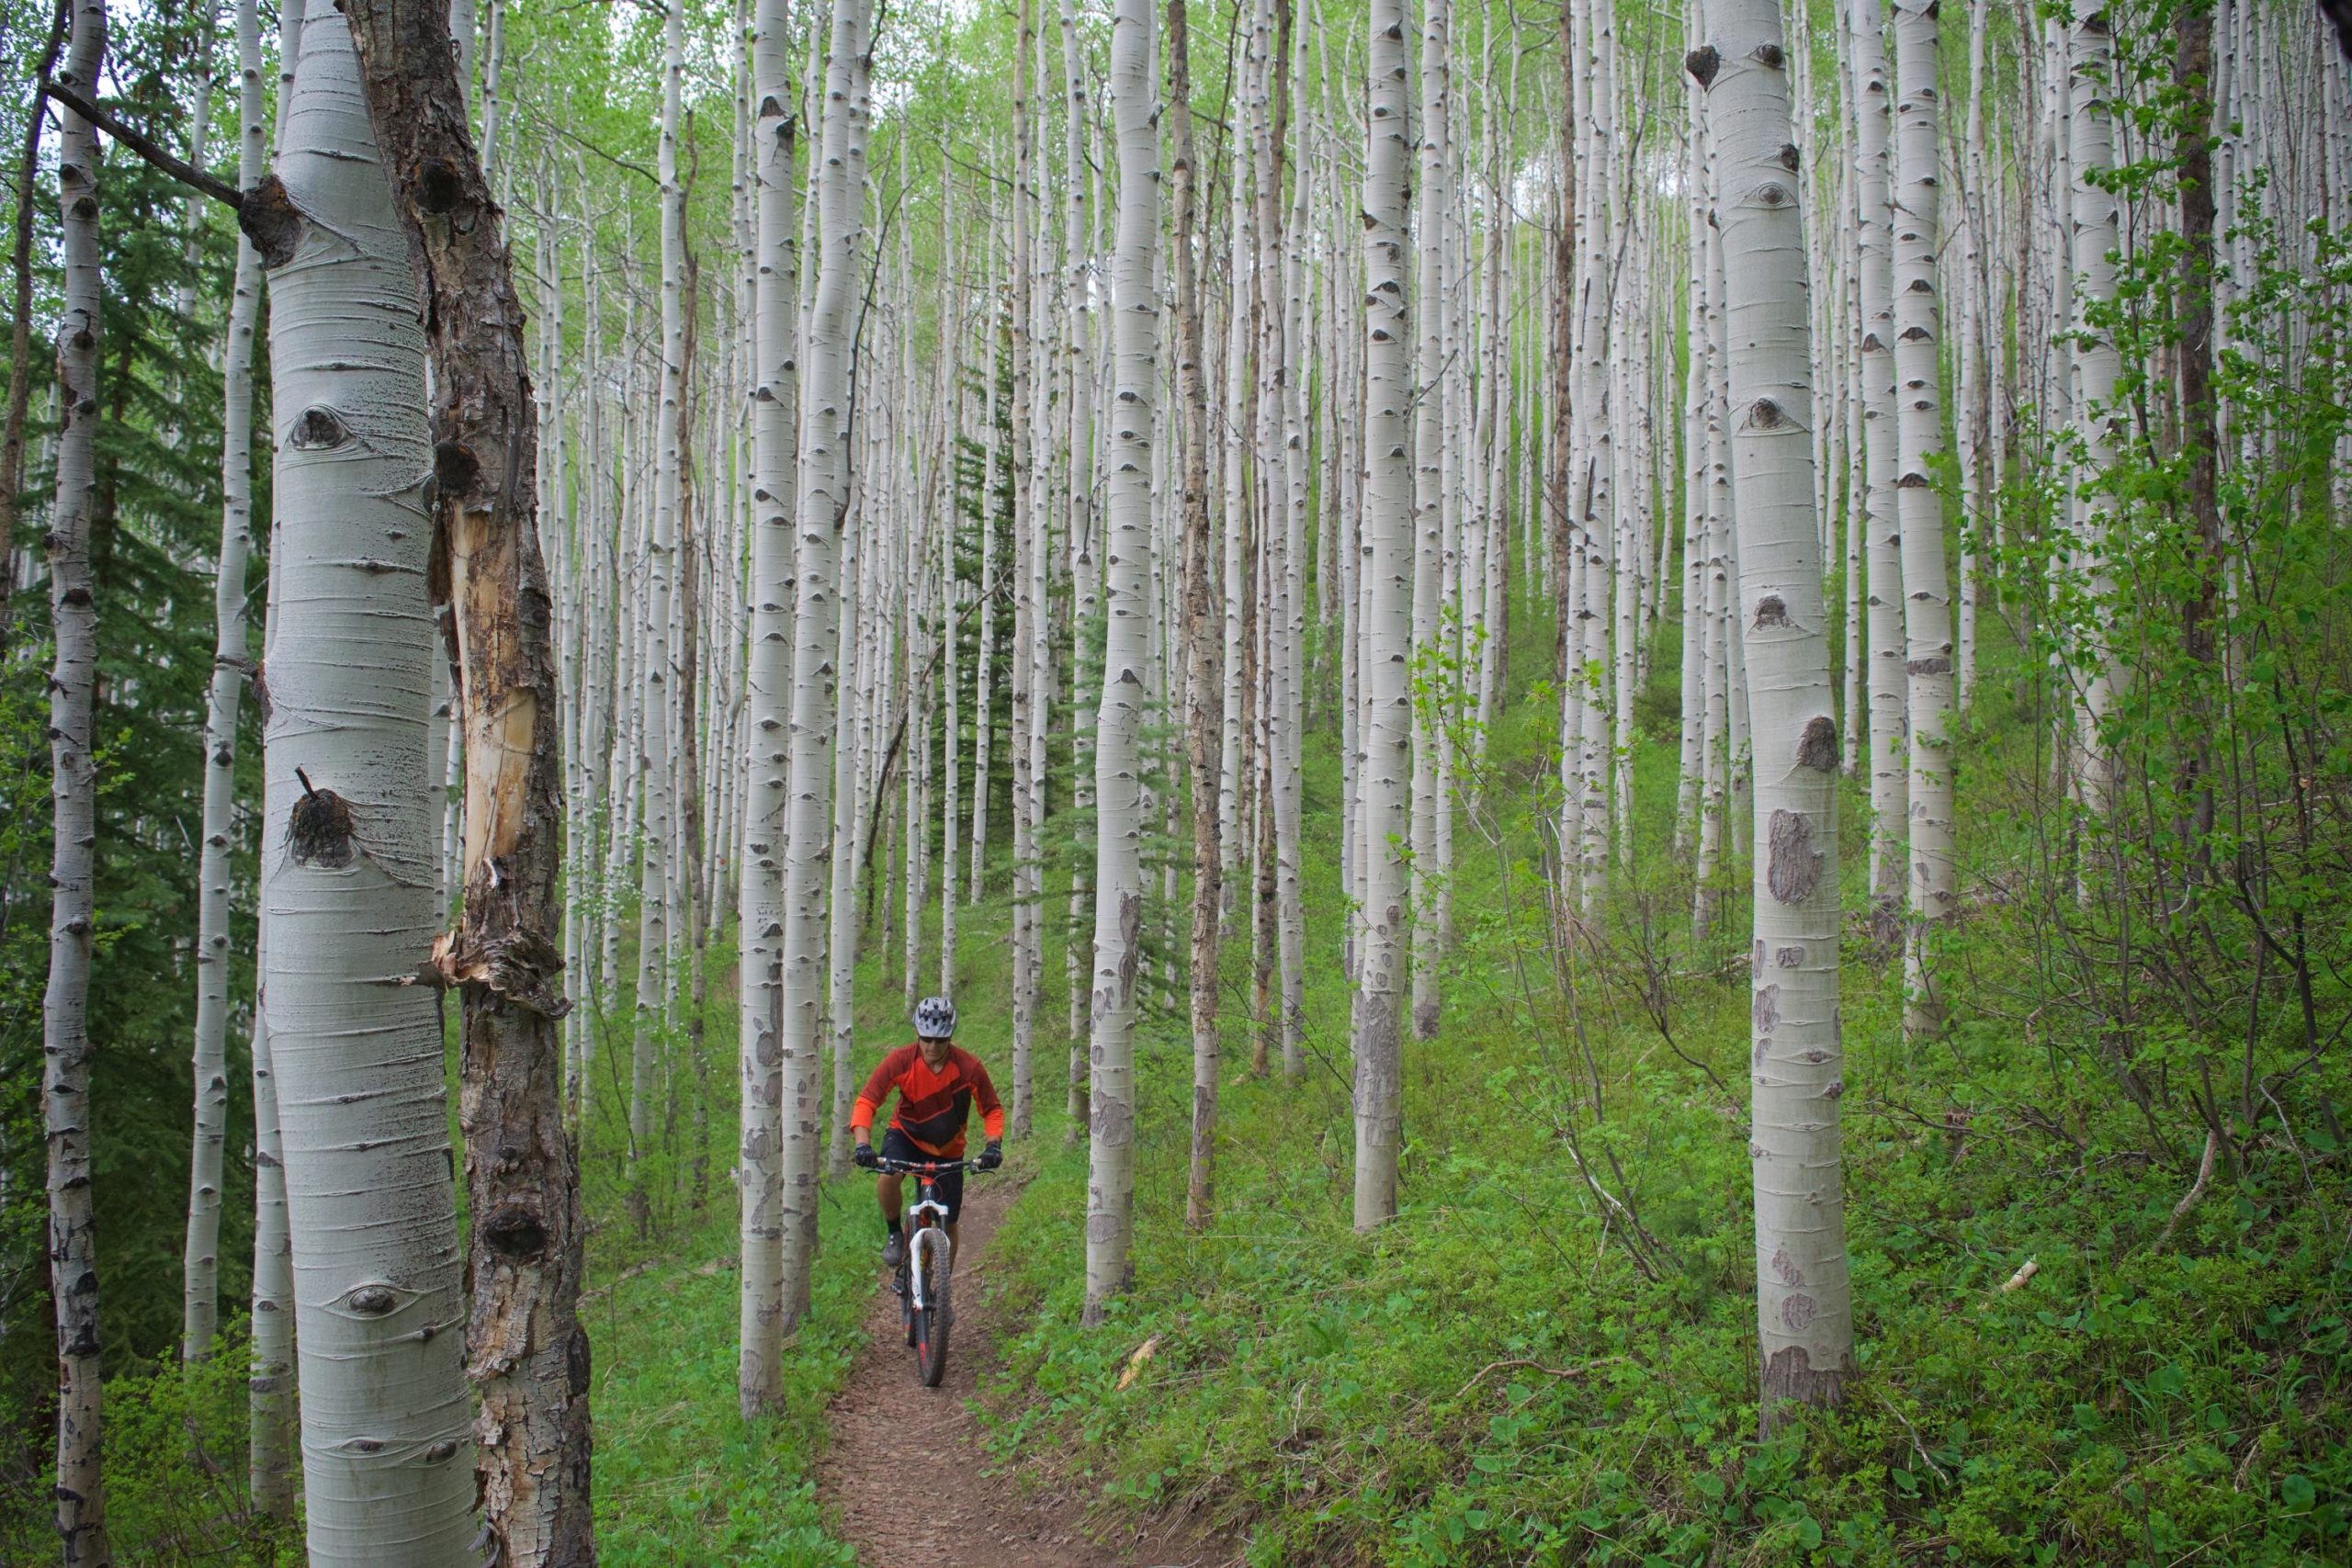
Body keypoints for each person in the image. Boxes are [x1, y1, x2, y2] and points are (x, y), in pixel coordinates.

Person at [851, 995, 1004, 1269]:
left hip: (948, 1149)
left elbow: (991, 1108)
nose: (933, 1046)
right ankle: (894, 1233)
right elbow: (867, 1101)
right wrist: (862, 1145)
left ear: (951, 1038)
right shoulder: (900, 1061)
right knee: (888, 1175)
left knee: (949, 1221)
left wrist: (993, 1145)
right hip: (905, 1135)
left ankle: (943, 1288)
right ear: (917, 1034)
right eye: (927, 1038)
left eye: (941, 1040)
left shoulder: (969, 1068)